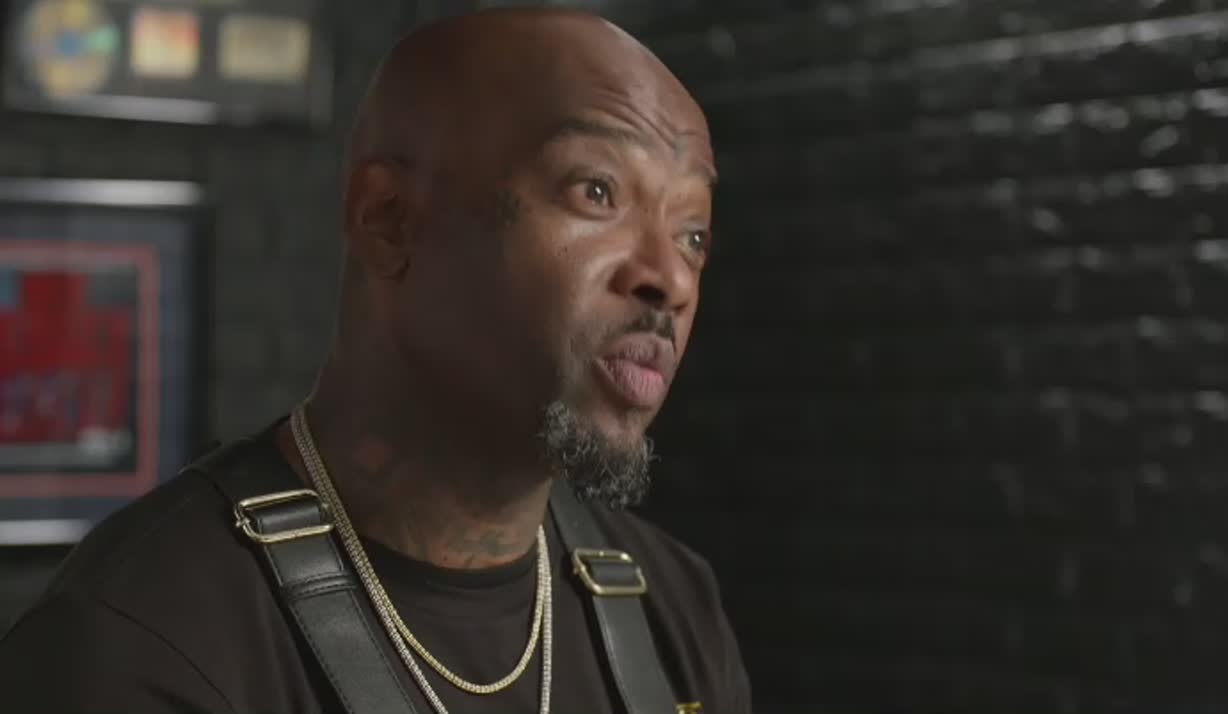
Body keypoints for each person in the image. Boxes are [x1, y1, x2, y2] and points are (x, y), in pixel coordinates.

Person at [0, 6, 751, 714]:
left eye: (693, 235)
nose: (671, 279)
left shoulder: (671, 607)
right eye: (596, 192)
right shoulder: (147, 643)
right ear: (389, 221)